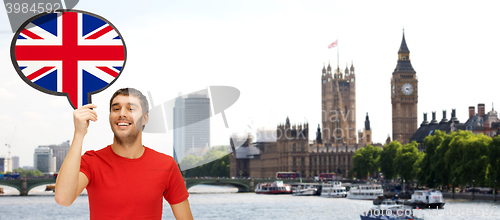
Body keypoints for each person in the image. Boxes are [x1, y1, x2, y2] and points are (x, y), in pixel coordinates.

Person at [55, 88, 193, 220]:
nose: (122, 113)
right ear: (110, 118)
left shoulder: (166, 165)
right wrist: (79, 133)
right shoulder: (91, 161)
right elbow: (63, 199)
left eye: (131, 109)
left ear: (145, 118)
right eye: (116, 109)